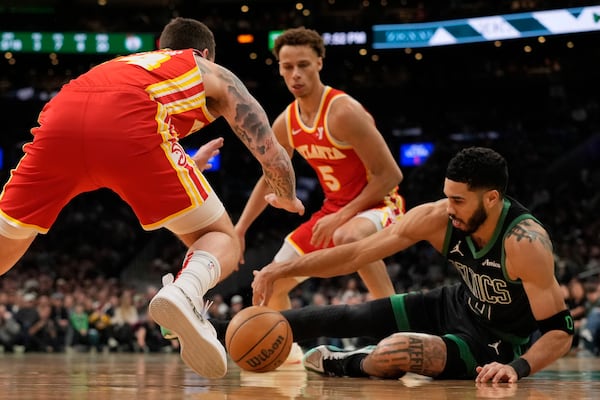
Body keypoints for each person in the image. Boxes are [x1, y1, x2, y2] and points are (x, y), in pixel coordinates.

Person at [0, 17, 304, 378]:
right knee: (223, 238)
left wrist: (185, 163)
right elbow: (270, 151)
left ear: (161, 48)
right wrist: (286, 195)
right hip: (132, 124)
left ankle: (185, 293)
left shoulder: (126, 64)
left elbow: (97, 131)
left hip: (58, 120)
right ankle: (187, 292)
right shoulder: (210, 70)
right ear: (204, 53)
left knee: (5, 250)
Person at [244, 147, 574, 383]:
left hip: (492, 344)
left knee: (397, 352)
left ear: (491, 198)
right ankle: (217, 327)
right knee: (355, 314)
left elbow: (560, 332)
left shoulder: (524, 242)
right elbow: (356, 254)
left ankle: (342, 361)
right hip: (455, 304)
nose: (450, 208)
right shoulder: (440, 217)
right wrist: (282, 268)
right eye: (447, 196)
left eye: (458, 200)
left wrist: (517, 367)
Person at [235, 27, 404, 312]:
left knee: (347, 236)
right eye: (288, 67)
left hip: (380, 205)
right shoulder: (286, 123)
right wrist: (240, 228)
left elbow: (390, 176)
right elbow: (270, 178)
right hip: (334, 212)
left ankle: (395, 326)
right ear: (279, 69)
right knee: (270, 284)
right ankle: (291, 358)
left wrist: (342, 215)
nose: (295, 74)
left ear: (319, 63)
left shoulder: (342, 112)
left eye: (303, 65)